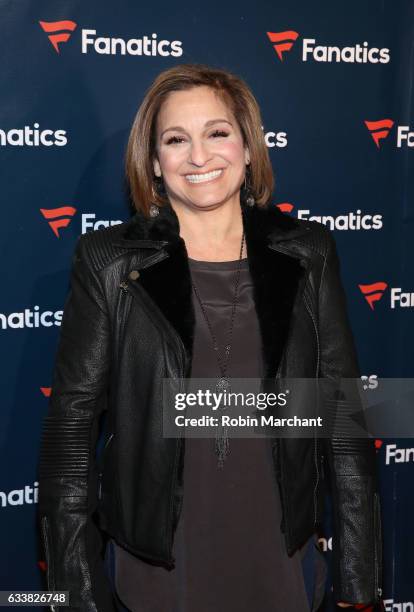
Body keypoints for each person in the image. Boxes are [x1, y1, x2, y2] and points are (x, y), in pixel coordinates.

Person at [38, 63, 382, 612]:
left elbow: (344, 418)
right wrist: (73, 593)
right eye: (177, 140)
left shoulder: (308, 253)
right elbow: (70, 435)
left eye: (217, 132)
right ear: (154, 163)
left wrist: (361, 583)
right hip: (158, 570)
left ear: (248, 148)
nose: (199, 156)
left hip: (281, 562)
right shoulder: (108, 263)